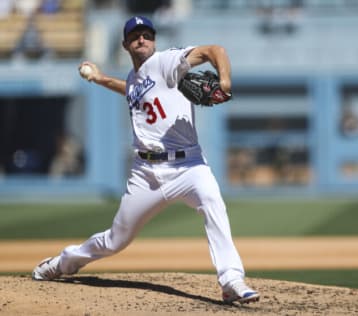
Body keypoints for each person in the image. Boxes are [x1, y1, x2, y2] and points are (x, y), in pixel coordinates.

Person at [32, 15, 260, 304]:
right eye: (136, 36)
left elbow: (215, 50)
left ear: (154, 40)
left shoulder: (166, 62)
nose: (142, 39)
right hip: (145, 173)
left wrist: (224, 81)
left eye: (147, 35)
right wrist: (101, 79)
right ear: (126, 44)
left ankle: (231, 280)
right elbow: (131, 89)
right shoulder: (135, 77)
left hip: (187, 166)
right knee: (116, 240)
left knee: (212, 201)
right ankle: (63, 263)